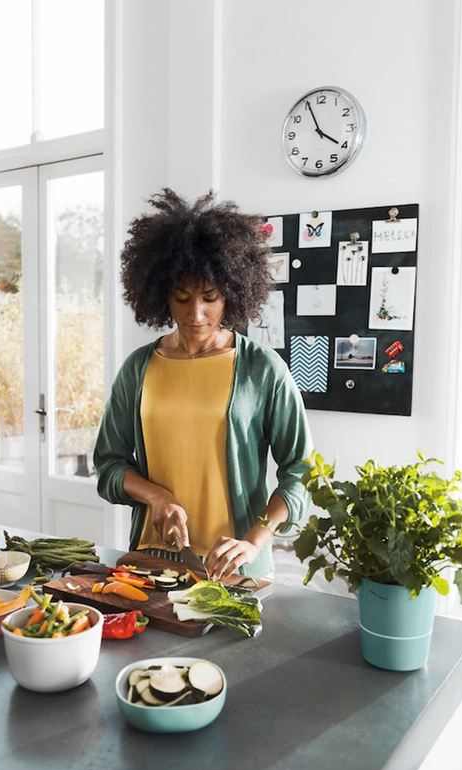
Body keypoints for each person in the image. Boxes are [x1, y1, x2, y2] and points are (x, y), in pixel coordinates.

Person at [93, 188, 313, 581]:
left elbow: (301, 472)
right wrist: (156, 496)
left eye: (210, 297)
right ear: (162, 295)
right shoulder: (138, 369)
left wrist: (255, 540)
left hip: (236, 565)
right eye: (182, 298)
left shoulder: (262, 370)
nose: (196, 313)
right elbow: (109, 465)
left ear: (231, 292)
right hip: (150, 562)